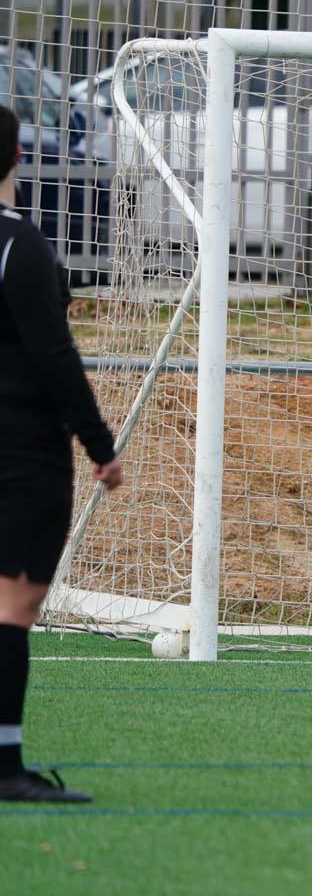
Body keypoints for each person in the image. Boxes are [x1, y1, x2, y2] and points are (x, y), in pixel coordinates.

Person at [0, 104, 124, 802]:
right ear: (18, 154)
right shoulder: (22, 245)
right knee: (12, 608)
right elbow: (54, 355)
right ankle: (6, 766)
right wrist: (100, 448)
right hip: (21, 452)